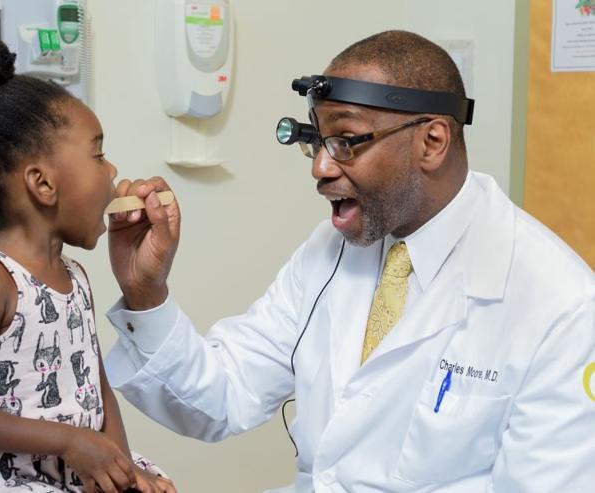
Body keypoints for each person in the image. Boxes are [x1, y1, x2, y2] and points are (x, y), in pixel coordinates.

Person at [104, 31, 595, 492]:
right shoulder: (331, 251)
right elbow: (224, 395)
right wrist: (147, 294)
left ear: (433, 142)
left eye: (346, 140)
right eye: (316, 141)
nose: (321, 167)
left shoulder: (560, 306)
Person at [0, 23, 176, 493]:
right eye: (98, 155)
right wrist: (68, 441)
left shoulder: (77, 276)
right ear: (42, 184)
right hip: (4, 477)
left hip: (69, 466)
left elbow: (96, 388)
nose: (113, 173)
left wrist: (125, 472)